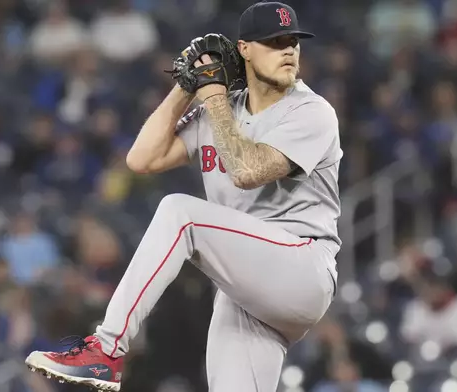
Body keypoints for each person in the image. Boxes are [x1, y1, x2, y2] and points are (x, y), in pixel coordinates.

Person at [24, 2, 342, 391]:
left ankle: (105, 350)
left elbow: (246, 171)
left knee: (181, 212)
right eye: (275, 42)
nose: (288, 50)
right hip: (246, 288)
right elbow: (141, 158)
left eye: (293, 41)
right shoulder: (221, 109)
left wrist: (212, 97)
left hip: (301, 267)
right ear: (245, 49)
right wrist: (185, 86)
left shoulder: (311, 111)